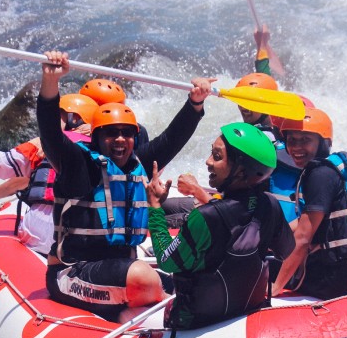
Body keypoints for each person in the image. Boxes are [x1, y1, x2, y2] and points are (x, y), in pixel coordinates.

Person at [36, 50, 215, 320]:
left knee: (197, 282)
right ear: (96, 137)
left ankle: (138, 311)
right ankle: (157, 310)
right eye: (111, 133)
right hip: (74, 271)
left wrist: (195, 104)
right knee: (144, 277)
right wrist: (50, 83)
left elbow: (172, 139)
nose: (120, 140)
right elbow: (50, 133)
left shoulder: (136, 164)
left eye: (126, 133)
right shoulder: (77, 165)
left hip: (121, 268)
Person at [146, 122, 294, 333]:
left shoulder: (205, 216)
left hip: (199, 323)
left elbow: (167, 261)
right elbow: (286, 249)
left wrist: (155, 207)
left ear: (242, 171)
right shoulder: (270, 204)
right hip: (248, 311)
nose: (207, 162)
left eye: (217, 157)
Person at [271, 107, 347, 299]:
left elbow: (303, 239)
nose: (296, 147)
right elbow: (311, 222)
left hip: (338, 280)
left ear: (324, 143)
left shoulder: (319, 175)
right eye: (292, 140)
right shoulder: (341, 168)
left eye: (305, 140)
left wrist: (275, 288)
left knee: (265, 265)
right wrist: (273, 235)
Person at [0, 93, 99, 254]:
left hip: (38, 230)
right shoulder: (105, 149)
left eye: (58, 115)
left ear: (73, 119)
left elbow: (2, 164)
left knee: (30, 168)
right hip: (82, 236)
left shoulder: (41, 144)